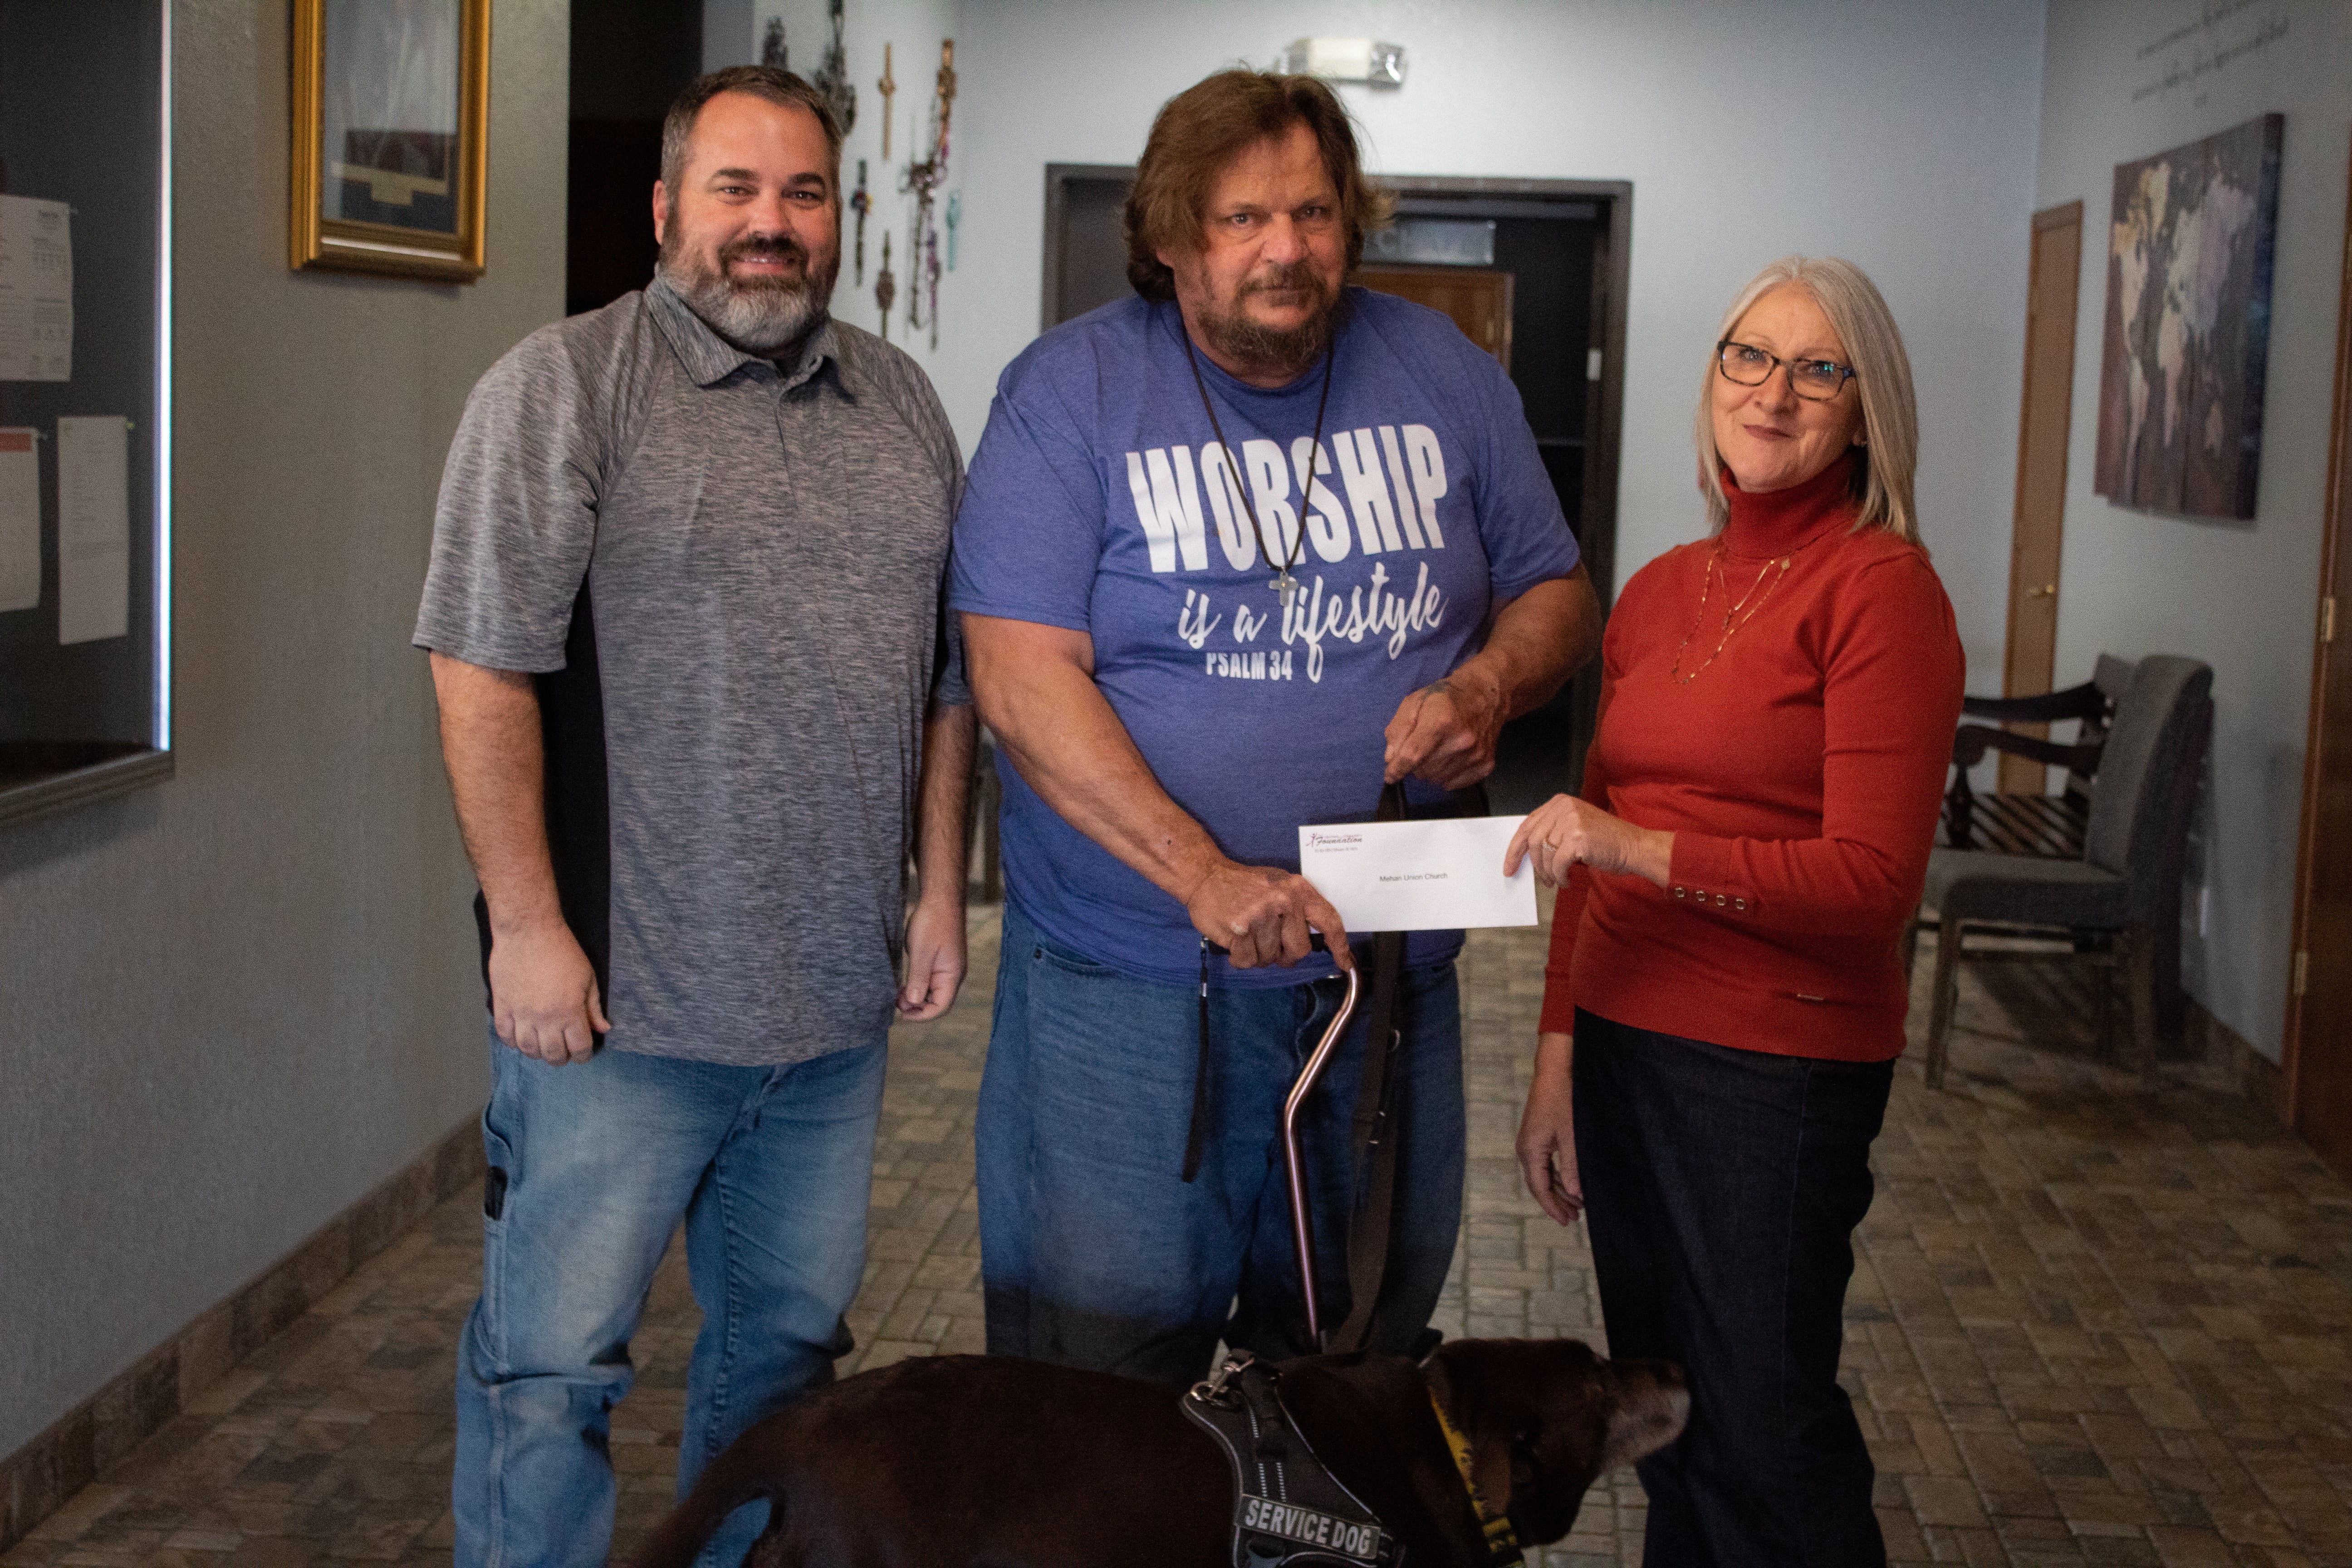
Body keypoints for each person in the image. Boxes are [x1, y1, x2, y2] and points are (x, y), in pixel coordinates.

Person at [951, 68, 1602, 1387]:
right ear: (1171, 237)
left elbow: (1557, 589)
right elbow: (1019, 682)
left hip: (1385, 983)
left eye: (1313, 213)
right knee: (1106, 1371)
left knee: (1354, 1361)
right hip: (1134, 990)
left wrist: (1487, 688)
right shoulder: (1065, 395)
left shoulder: (1445, 373)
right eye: (1244, 218)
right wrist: (1201, 872)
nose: (1287, 251)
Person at [412, 66, 974, 1568]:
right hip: (616, 1016)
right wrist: (526, 931)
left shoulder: (902, 401)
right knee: (551, 1376)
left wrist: (936, 888)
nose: (769, 226)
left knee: (785, 1379)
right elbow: (479, 670)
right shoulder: (564, 387)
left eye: (802, 194)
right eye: (734, 190)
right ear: (666, 210)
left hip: (828, 1020)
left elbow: (945, 678)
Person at [1504, 255, 1963, 1566]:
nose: (1774, 392)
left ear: (1864, 410)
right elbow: (1583, 852)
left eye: (1819, 369)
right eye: (1748, 357)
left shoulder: (1882, 592)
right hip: (1626, 1049)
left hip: (1775, 1072)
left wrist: (1642, 846)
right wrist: (1558, 1061)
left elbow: (1872, 885)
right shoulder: (1656, 590)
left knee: (1765, 1434)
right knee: (1670, 1419)